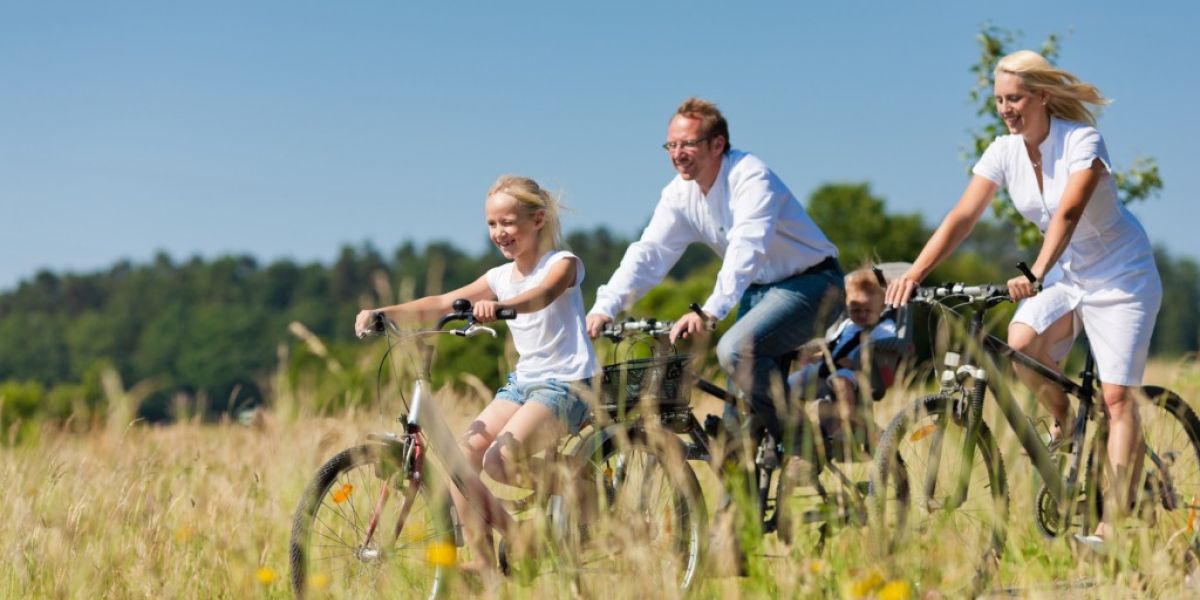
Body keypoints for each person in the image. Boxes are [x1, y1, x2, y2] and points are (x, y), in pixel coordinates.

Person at [884, 50, 1162, 544]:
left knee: (1118, 398)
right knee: (1020, 343)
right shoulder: (1003, 151)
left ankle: (1111, 529)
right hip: (1069, 277)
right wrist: (916, 273)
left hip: (1121, 278)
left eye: (1014, 98)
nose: (1005, 108)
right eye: (998, 100)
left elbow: (1070, 211)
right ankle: (1067, 419)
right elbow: (962, 217)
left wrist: (1035, 271)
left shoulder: (1082, 141)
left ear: (1042, 97)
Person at [354, 175, 597, 569]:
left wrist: (502, 307)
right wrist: (385, 313)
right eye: (492, 225)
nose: (500, 233)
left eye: (508, 223)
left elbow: (543, 295)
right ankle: (493, 557)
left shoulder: (563, 264)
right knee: (459, 462)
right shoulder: (499, 277)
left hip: (567, 383)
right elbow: (442, 301)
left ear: (538, 219)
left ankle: (582, 486)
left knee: (500, 462)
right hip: (523, 384)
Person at [585, 96, 843, 451]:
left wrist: (712, 310)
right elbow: (650, 253)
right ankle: (736, 502)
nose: (677, 153)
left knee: (735, 350)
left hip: (813, 284)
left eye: (687, 143)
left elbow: (747, 245)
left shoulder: (750, 177)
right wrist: (606, 306)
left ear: (717, 144)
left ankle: (802, 446)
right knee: (736, 438)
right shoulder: (679, 194)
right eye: (671, 145)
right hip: (760, 290)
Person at [789, 268, 898, 457]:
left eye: (867, 310)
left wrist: (859, 359)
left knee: (841, 380)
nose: (861, 314)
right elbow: (832, 345)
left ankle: (843, 425)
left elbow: (888, 346)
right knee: (791, 383)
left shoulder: (884, 327)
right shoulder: (847, 325)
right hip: (831, 367)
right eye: (855, 310)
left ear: (881, 307)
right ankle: (796, 427)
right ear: (847, 306)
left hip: (860, 371)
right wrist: (813, 354)